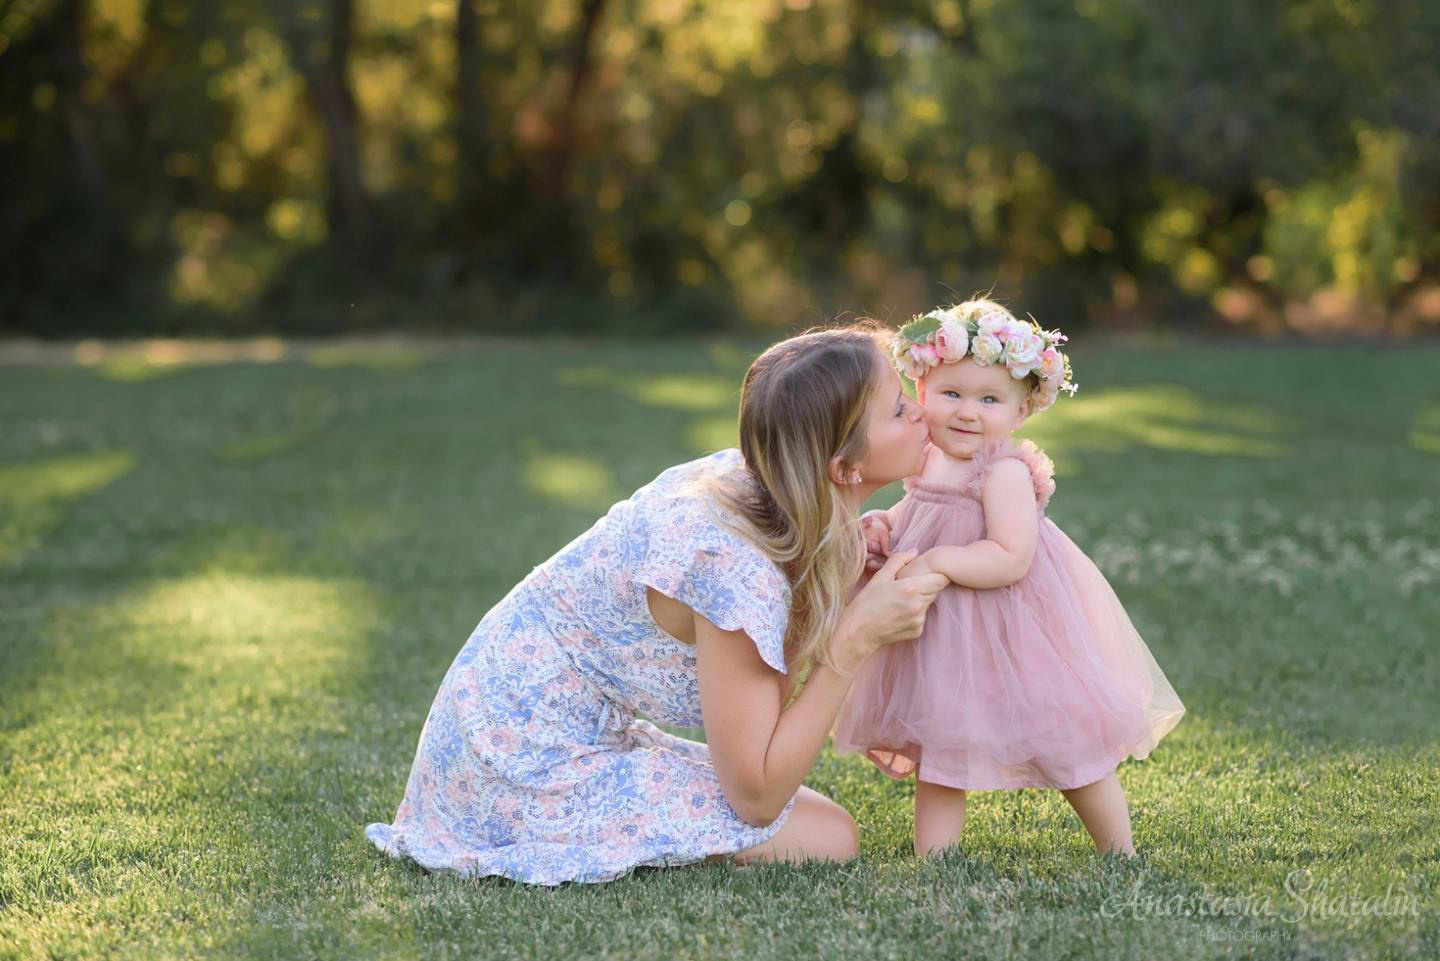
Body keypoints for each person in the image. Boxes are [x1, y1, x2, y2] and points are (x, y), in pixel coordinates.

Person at [365, 322, 950, 885]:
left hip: (526, 726)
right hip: (510, 760)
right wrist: (853, 639)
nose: (922, 412)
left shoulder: (763, 486)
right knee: (826, 837)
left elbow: (767, 714)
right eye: (899, 409)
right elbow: (756, 797)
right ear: (843, 466)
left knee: (816, 822)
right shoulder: (733, 568)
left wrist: (841, 568)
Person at [834, 299, 1186, 856]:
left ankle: (1119, 849)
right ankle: (936, 859)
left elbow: (1009, 556)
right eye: (951, 394)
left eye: (989, 400)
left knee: (1063, 737)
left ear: (1020, 412)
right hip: (941, 634)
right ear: (922, 392)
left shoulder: (1002, 473)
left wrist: (939, 561)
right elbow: (919, 513)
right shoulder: (925, 458)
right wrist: (884, 525)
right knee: (940, 737)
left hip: (1014, 627)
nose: (967, 413)